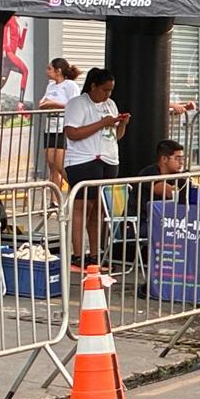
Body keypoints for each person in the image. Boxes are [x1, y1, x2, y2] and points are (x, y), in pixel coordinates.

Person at [62, 68, 129, 268]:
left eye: (110, 91)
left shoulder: (111, 105)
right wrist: (101, 123)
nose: (107, 94)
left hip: (108, 159)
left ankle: (95, 253)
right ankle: (77, 253)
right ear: (93, 86)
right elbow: (72, 133)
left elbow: (115, 136)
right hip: (83, 160)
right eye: (104, 90)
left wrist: (121, 124)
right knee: (84, 206)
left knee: (99, 209)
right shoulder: (78, 104)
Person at [39, 58, 81, 190]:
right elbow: (43, 101)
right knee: (51, 164)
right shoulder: (50, 86)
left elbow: (73, 104)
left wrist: (54, 104)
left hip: (62, 125)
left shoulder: (70, 85)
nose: (47, 71)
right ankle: (54, 200)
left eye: (49, 68)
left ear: (58, 71)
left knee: (59, 164)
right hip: (50, 126)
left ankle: (76, 188)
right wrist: (45, 104)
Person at [0, 16, 30, 109]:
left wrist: (25, 29)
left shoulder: (17, 24)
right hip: (8, 53)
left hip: (11, 55)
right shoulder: (10, 19)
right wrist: (4, 49)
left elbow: (20, 45)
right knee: (25, 71)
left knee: (1, 83)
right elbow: (4, 32)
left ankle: (20, 103)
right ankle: (20, 102)